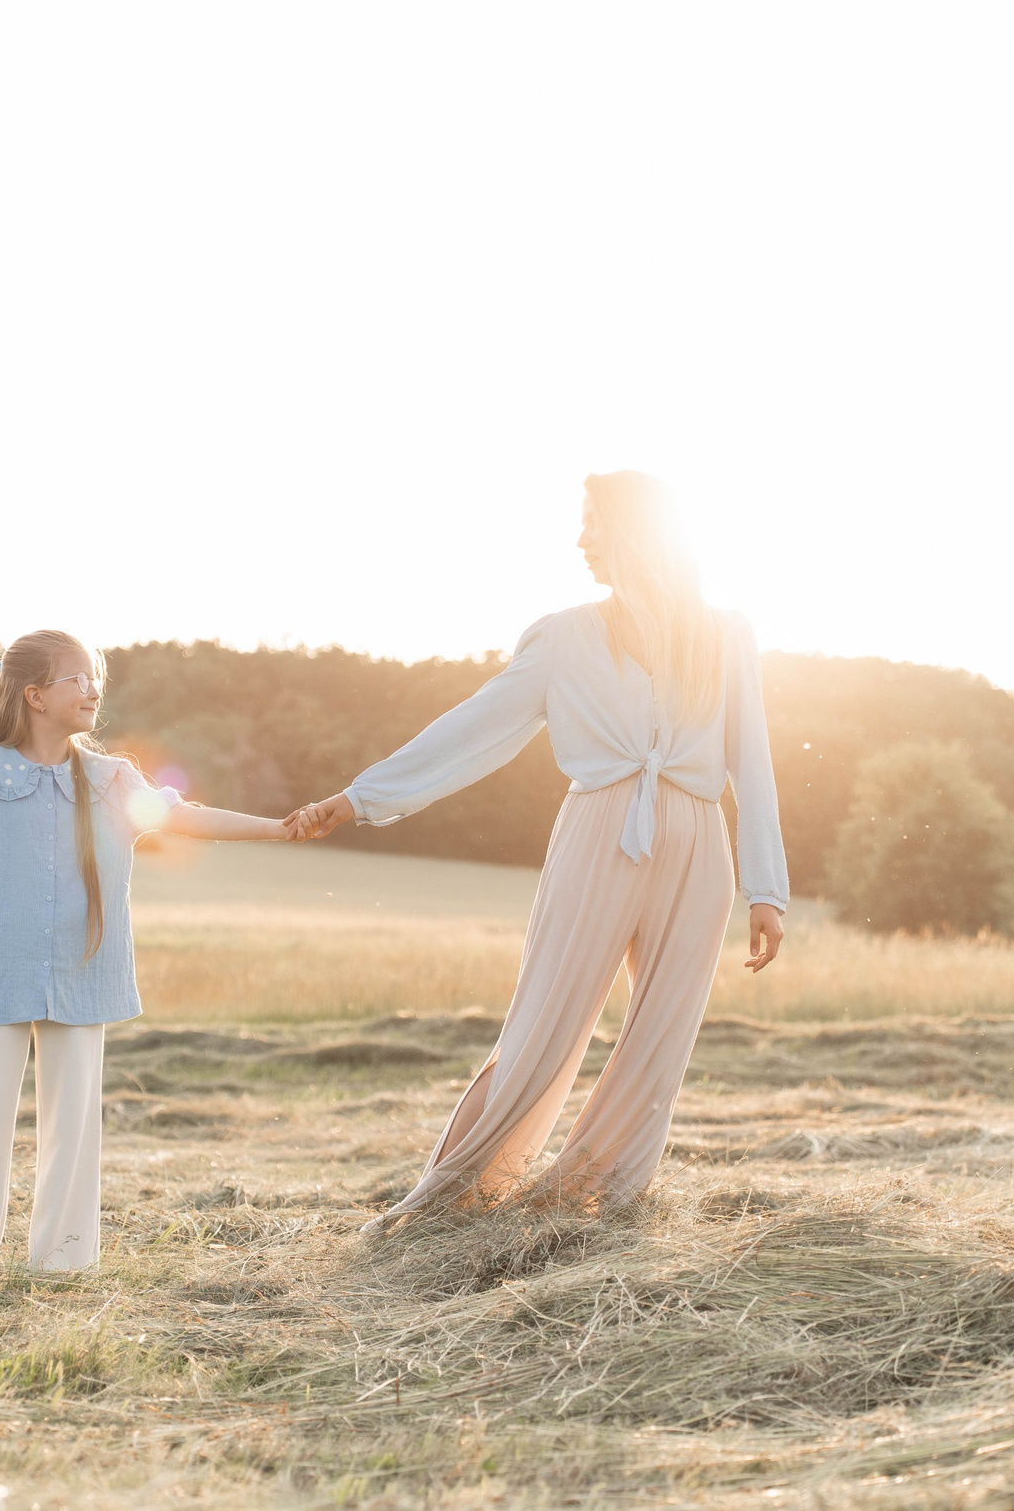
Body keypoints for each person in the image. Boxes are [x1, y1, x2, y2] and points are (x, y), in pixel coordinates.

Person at [291, 471, 788, 1230]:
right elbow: (475, 727)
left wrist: (766, 888)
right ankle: (445, 1202)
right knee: (539, 1032)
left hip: (698, 845)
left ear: (635, 531)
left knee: (659, 1043)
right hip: (600, 834)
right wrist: (361, 796)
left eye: (592, 522)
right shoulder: (565, 636)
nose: (581, 538)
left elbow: (752, 761)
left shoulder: (727, 633)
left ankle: (594, 1203)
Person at [0, 630, 302, 1272]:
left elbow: (183, 814)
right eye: (76, 679)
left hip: (84, 973)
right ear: (34, 695)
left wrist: (279, 830)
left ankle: (62, 1261)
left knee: (74, 1127)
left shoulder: (112, 779)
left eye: (93, 678)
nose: (93, 690)